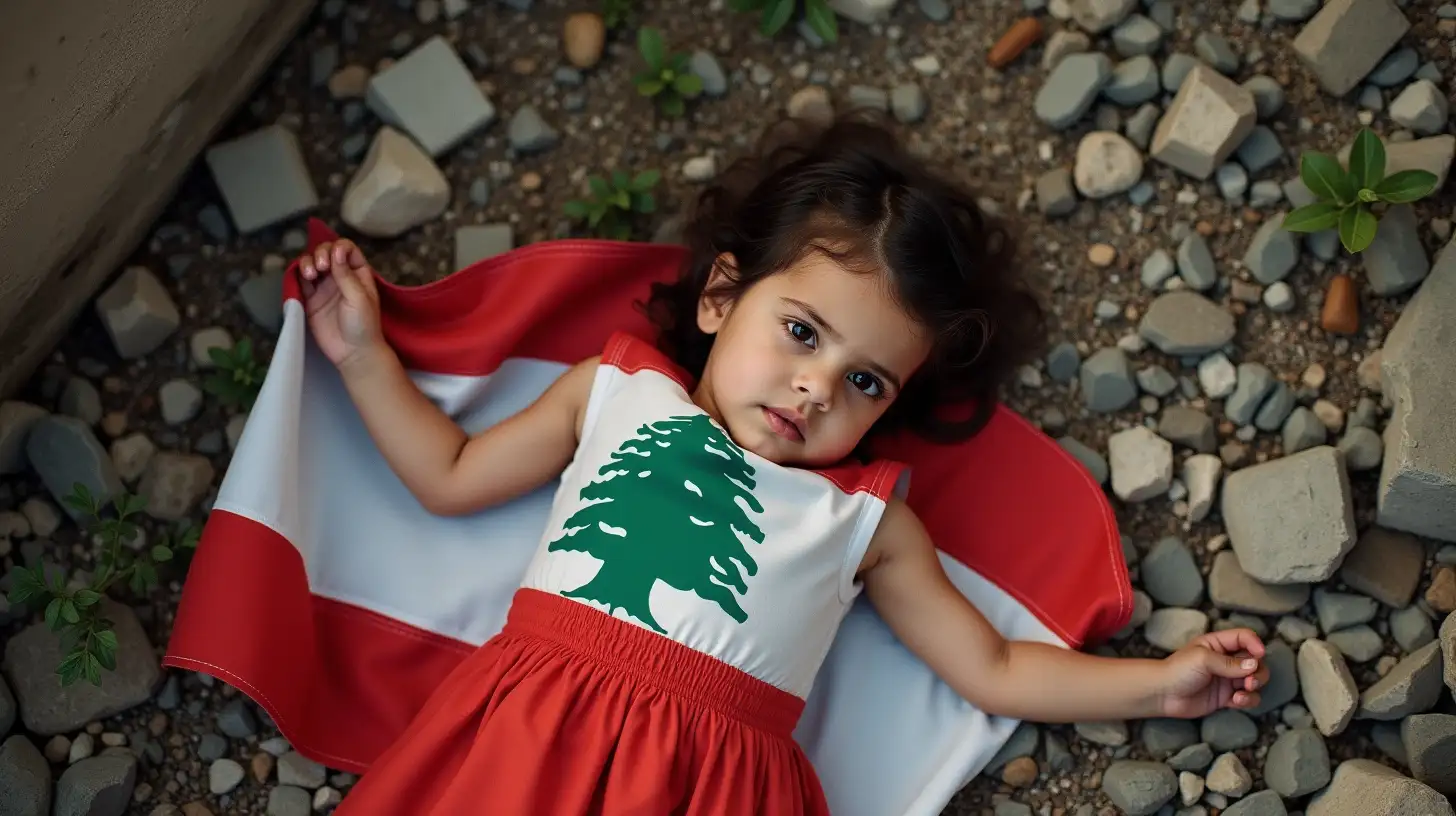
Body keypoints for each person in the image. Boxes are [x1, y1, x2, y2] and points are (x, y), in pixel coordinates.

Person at [299, 115, 1269, 815]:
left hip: (712, 787)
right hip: (528, 736)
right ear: (722, 295)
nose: (814, 389)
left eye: (866, 383)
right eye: (799, 331)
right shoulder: (616, 391)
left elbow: (996, 667)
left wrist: (1157, 685)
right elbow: (451, 475)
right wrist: (364, 357)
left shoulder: (866, 521)